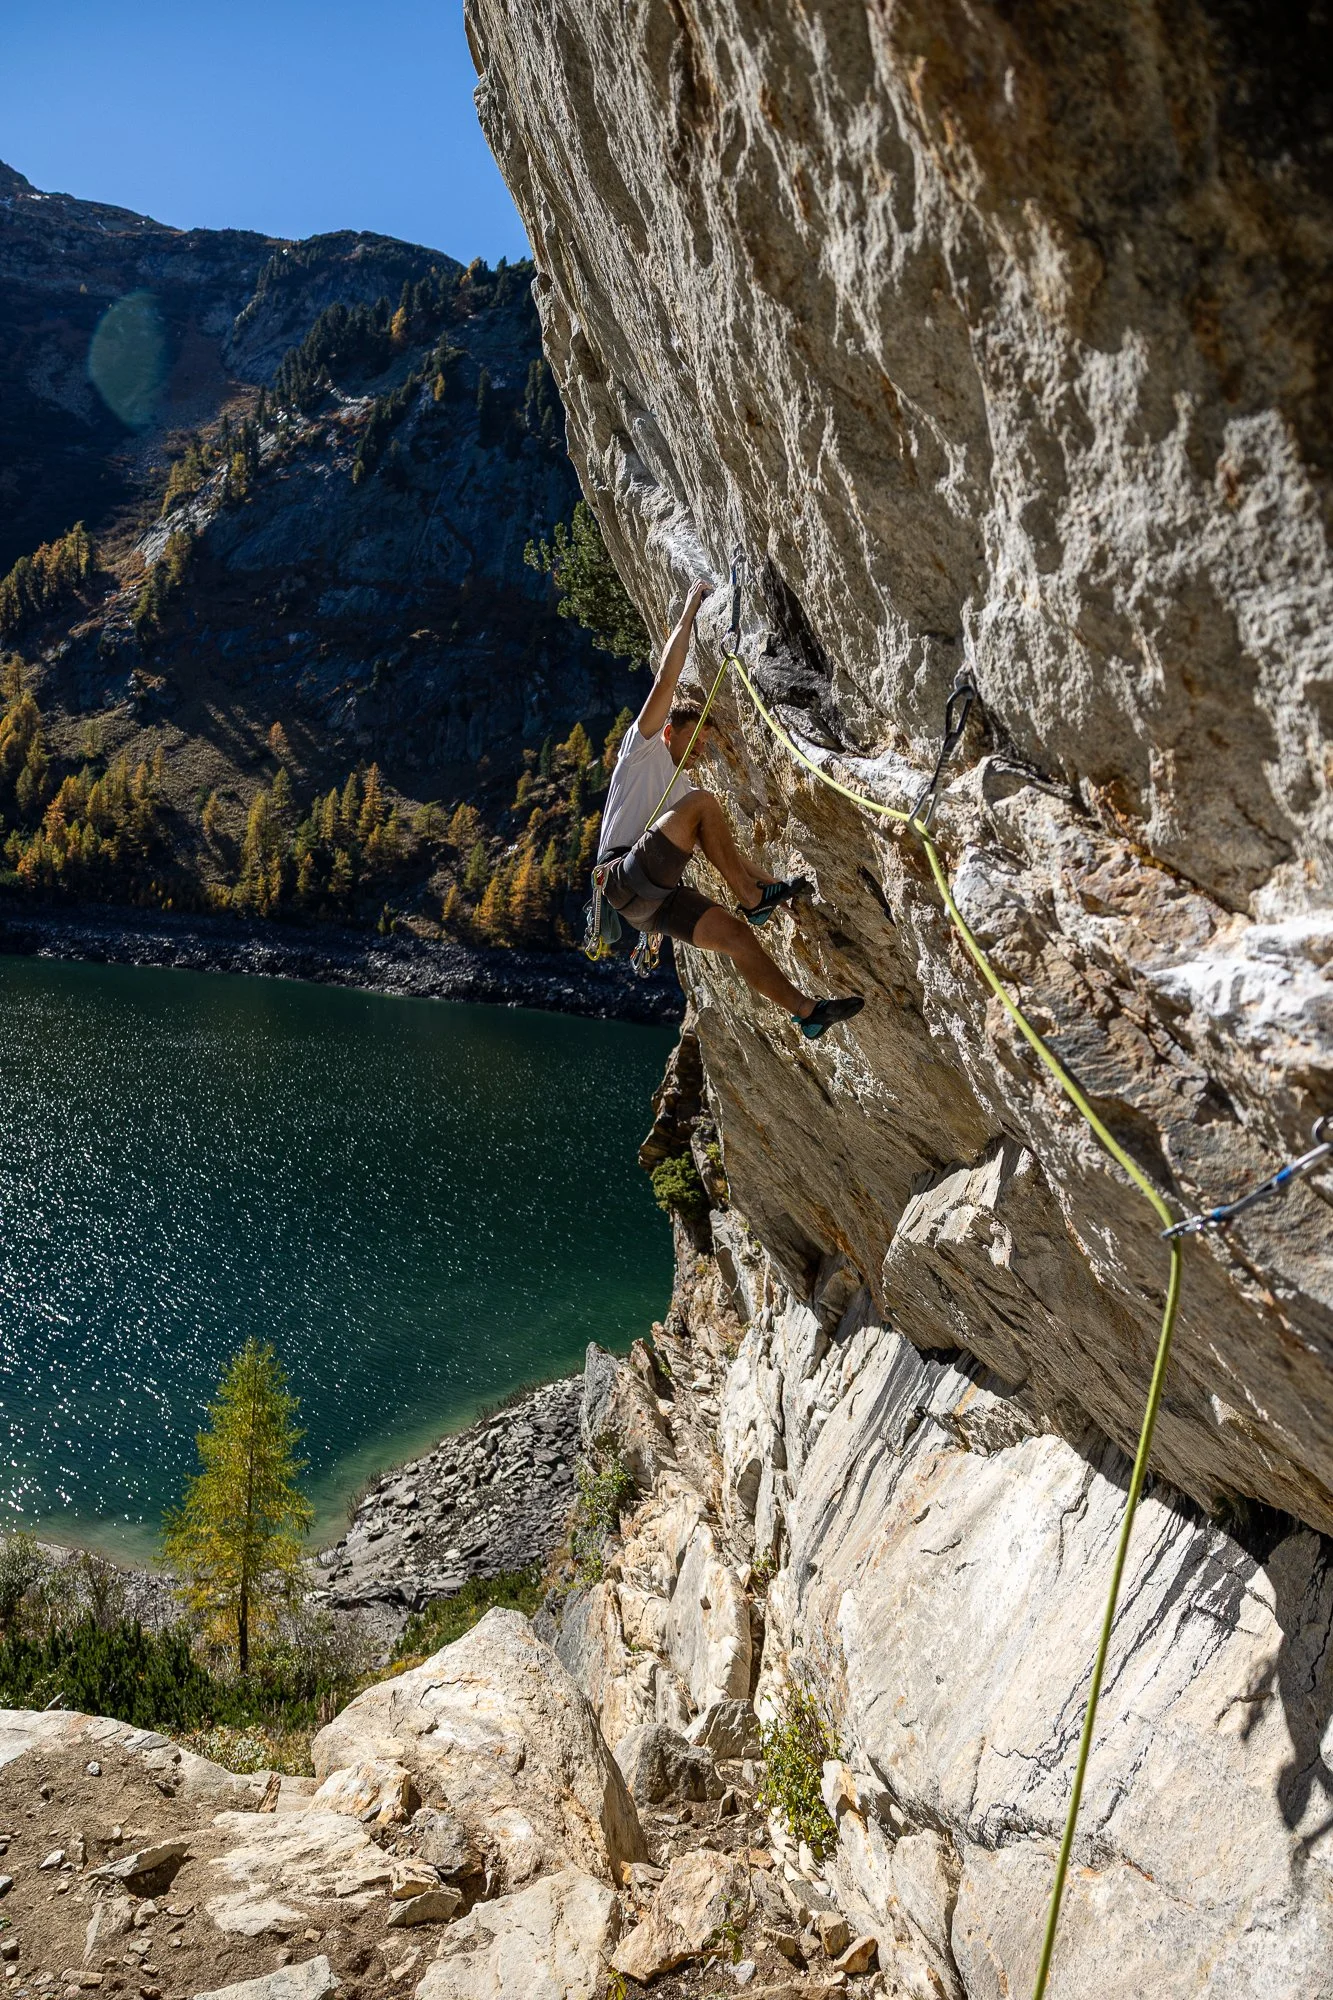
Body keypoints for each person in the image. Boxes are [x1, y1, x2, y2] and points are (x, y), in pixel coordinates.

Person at [596, 579, 864, 1040]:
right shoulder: (641, 749)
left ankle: (807, 1013)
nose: (699, 749)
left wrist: (779, 885)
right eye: (693, 738)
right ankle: (752, 900)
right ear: (668, 731)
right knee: (703, 803)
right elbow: (666, 678)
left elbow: (724, 856)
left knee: (738, 938)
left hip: (647, 904)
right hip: (621, 874)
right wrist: (688, 612)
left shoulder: (680, 789)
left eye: (704, 743)